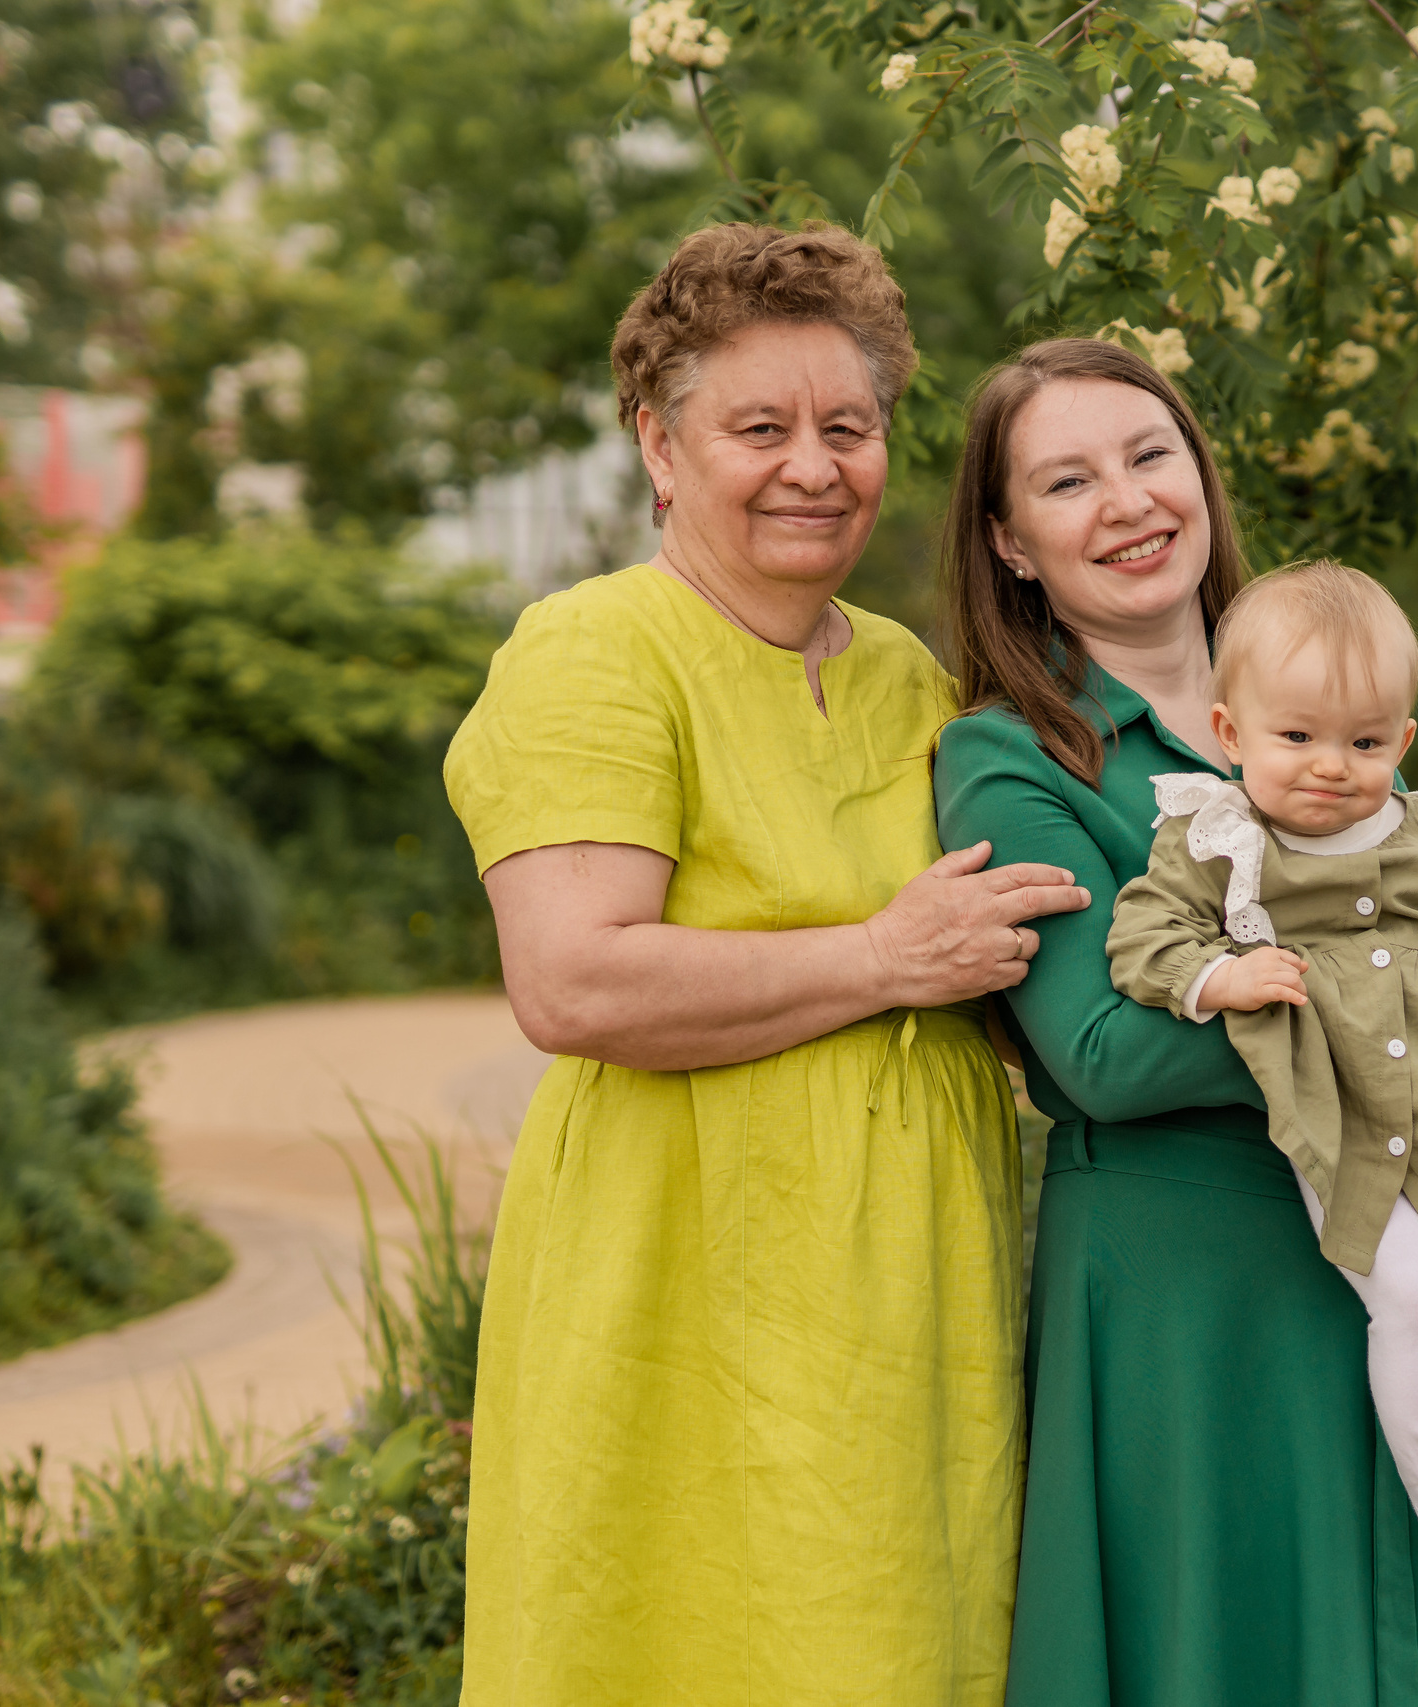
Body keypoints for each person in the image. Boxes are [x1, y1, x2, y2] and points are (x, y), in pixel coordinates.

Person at [443, 222, 1088, 1706]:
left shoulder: (908, 678)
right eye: (760, 427)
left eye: (847, 426)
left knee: (901, 1641)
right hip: (693, 1284)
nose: (815, 464)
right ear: (660, 449)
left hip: (914, 1296)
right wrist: (878, 951)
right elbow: (575, 983)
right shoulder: (594, 654)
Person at [930, 337, 1418, 1707]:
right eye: (1067, 481)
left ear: (1200, 471)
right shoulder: (1011, 754)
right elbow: (1105, 1054)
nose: (1127, 501)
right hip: (1189, 1289)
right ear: (1012, 542)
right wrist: (1408, 1008)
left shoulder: (1327, 691)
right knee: (1223, 1649)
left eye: (1149, 454)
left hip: (1389, 1232)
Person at [1106, 560, 1418, 1581]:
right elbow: (1139, 938)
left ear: (1403, 742)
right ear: (1230, 733)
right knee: (1413, 1294)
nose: (1331, 766)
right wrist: (1219, 975)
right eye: (1296, 737)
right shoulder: (1219, 840)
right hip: (1335, 1110)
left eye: (1365, 741)